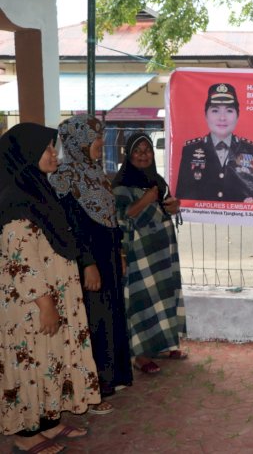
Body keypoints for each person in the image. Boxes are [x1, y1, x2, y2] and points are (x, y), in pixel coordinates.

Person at [0, 123, 100, 454]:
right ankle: (25, 433)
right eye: (46, 149)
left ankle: (48, 419)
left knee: (48, 359)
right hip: (31, 302)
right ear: (26, 154)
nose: (53, 153)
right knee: (31, 361)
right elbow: (20, 261)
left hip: (49, 297)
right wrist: (45, 303)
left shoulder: (38, 192)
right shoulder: (14, 201)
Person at [48, 115, 133, 414]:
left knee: (109, 312)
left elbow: (111, 220)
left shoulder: (94, 173)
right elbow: (71, 226)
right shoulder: (64, 176)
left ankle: (109, 377)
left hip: (107, 253)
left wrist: (119, 255)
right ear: (78, 141)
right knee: (93, 316)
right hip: (89, 257)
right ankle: (93, 386)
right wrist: (88, 263)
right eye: (95, 138)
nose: (101, 143)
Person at [113, 133, 186, 375]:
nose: (143, 155)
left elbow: (165, 206)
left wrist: (173, 206)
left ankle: (165, 345)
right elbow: (120, 217)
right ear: (128, 154)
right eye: (138, 150)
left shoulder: (157, 179)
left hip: (162, 251)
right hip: (138, 252)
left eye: (147, 150)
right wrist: (145, 200)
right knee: (142, 298)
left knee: (163, 295)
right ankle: (141, 355)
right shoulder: (120, 185)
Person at [176, 82, 253, 203]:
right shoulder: (190, 149)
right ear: (205, 115)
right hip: (202, 220)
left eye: (229, 110)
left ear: (237, 115)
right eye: (215, 110)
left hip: (236, 220)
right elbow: (182, 193)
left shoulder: (250, 150)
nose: (222, 118)